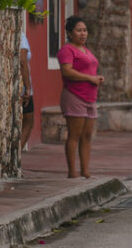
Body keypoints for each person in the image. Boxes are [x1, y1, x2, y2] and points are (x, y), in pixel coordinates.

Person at [57, 15, 104, 178]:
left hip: (90, 98)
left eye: (85, 30)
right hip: (74, 96)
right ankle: (72, 172)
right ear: (70, 33)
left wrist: (96, 78)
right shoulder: (67, 50)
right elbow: (67, 71)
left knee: (87, 136)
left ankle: (86, 171)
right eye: (78, 31)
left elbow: (88, 69)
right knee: (74, 135)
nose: (83, 34)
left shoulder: (86, 50)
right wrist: (89, 78)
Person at [20, 32, 34, 151]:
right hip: (23, 89)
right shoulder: (21, 36)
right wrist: (28, 88)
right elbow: (23, 60)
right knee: (28, 121)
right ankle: (15, 155)